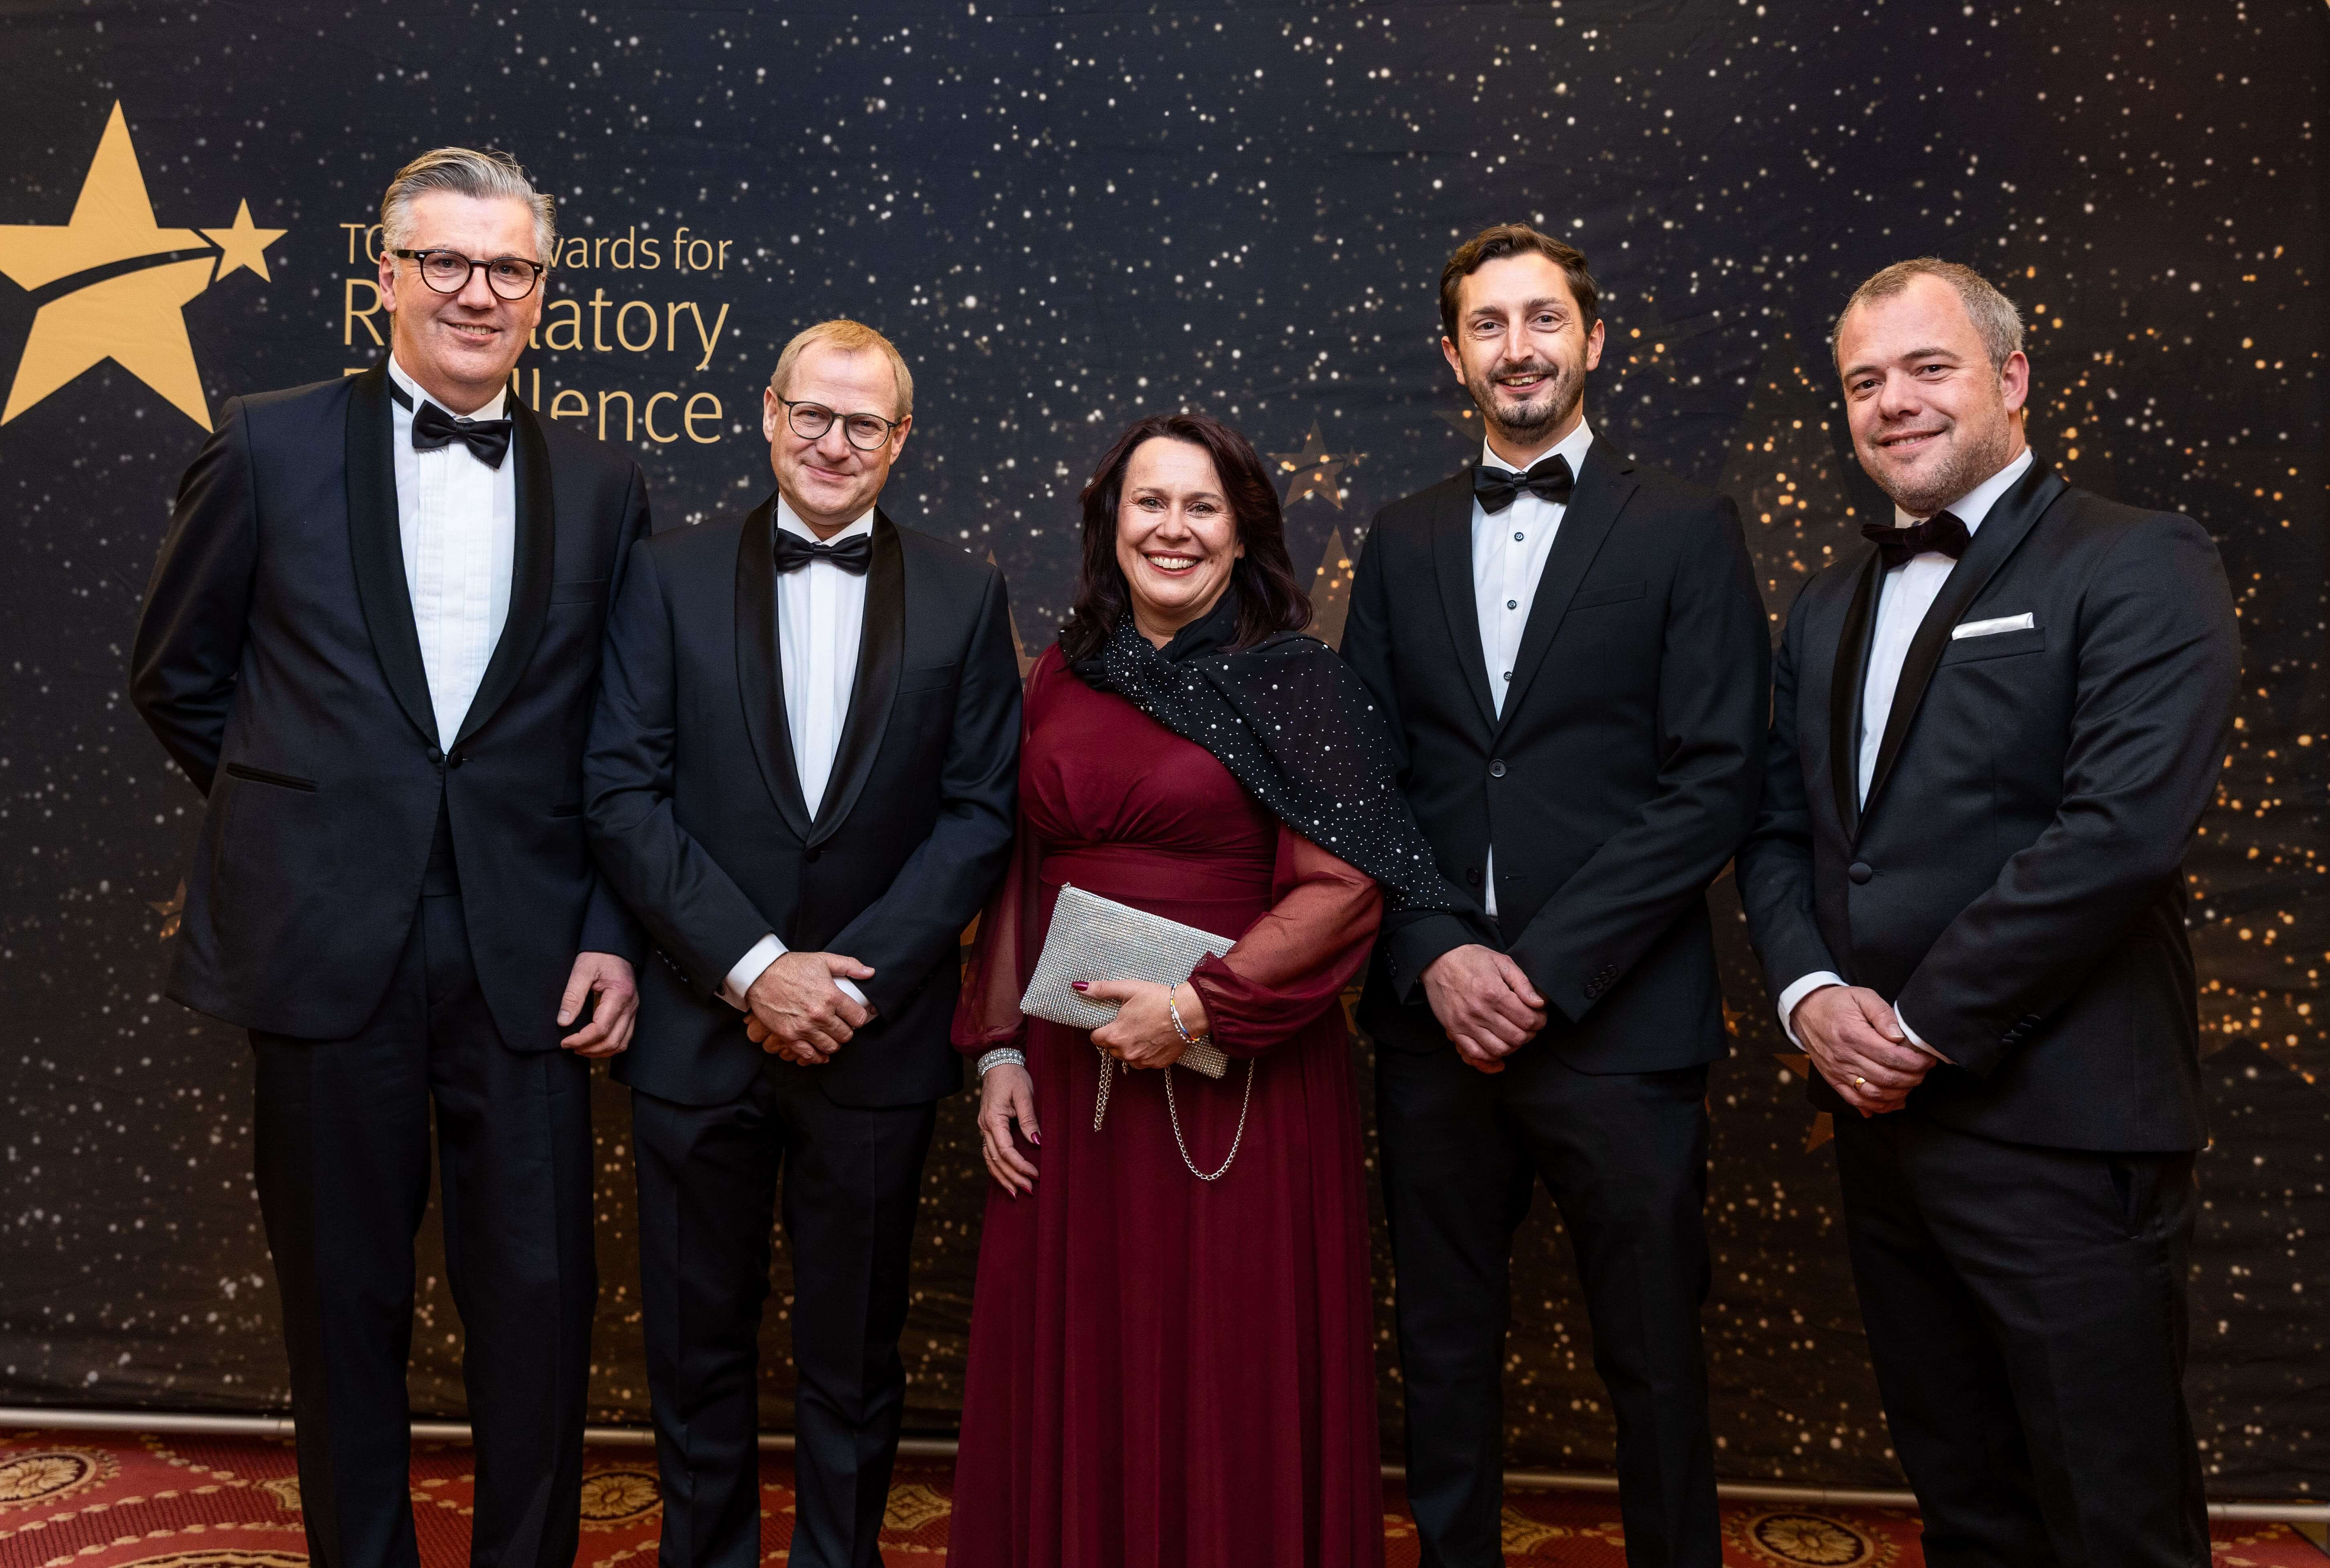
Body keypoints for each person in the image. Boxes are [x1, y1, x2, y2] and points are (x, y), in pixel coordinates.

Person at [128, 147, 647, 1568]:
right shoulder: (265, 444)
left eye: (510, 267)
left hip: (529, 950)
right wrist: (310, 825)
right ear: (387, 277)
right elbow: (178, 678)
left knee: (539, 1303)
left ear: (542, 292)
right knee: (339, 1303)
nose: (479, 291)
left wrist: (612, 927)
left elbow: (627, 735)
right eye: (447, 261)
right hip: (324, 943)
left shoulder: (606, 482)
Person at [1734, 258, 2239, 1567]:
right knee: (1966, 1509)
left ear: (2013, 380)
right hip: (1883, 1134)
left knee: (2115, 1523)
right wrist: (1810, 998)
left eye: (1928, 367)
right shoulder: (1827, 601)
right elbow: (1779, 830)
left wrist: (1915, 1027)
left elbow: (2119, 834)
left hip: (2065, 1133)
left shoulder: (2140, 557)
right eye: (1864, 382)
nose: (1893, 402)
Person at [948, 413, 1471, 1568]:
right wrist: (998, 1050)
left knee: (1226, 1361)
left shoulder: (1299, 682)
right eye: (1149, 503)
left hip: (1239, 1082)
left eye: (1202, 506)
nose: (1172, 529)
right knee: (1082, 1361)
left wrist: (1194, 1008)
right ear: (1110, 523)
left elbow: (1345, 890)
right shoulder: (1064, 669)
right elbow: (1023, 867)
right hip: (1069, 1083)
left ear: (1242, 533)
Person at [1338, 224, 1768, 1568]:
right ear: (1451, 353)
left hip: (1620, 1024)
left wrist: (1538, 968)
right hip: (1432, 1028)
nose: (1516, 348)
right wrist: (1438, 952)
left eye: (1541, 319)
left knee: (1655, 1357)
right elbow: (1362, 781)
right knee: (1442, 1350)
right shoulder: (1401, 537)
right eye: (1488, 325)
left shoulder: (1689, 525)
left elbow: (1717, 778)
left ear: (1593, 338)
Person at [584, 319, 1021, 1568]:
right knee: (694, 1351)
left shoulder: (967, 592)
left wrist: (846, 987)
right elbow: (621, 791)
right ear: (770, 416)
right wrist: (756, 970)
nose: (835, 442)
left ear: (901, 439)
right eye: (813, 415)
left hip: (872, 1042)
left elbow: (980, 813)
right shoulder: (661, 576)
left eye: (863, 423)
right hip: (698, 1030)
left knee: (856, 1359)